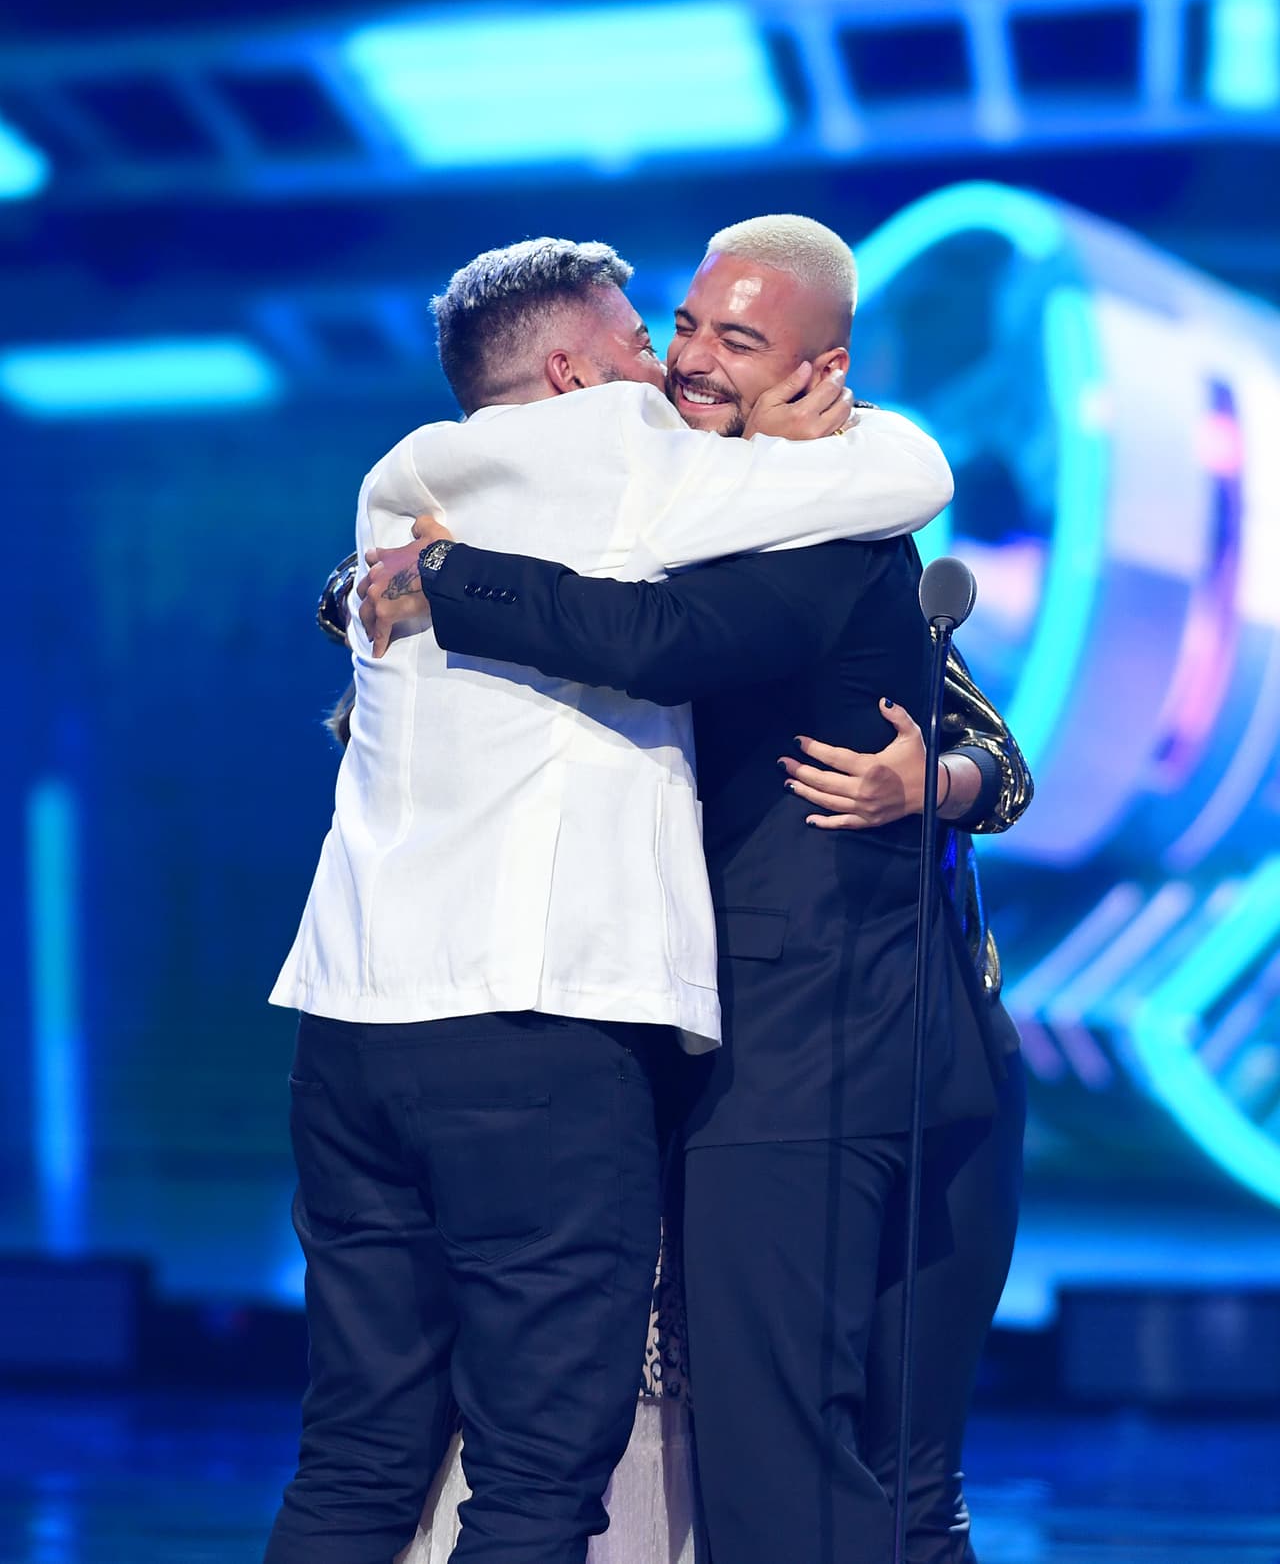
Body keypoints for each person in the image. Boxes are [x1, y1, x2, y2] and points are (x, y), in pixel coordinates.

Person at [266, 232, 956, 1564]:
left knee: (355, 1458)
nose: (675, 364)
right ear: (578, 373)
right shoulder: (624, 462)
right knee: (533, 1483)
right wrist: (817, 433)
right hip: (529, 1028)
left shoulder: (397, 485)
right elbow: (908, 476)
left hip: (348, 1025)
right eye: (651, 340)